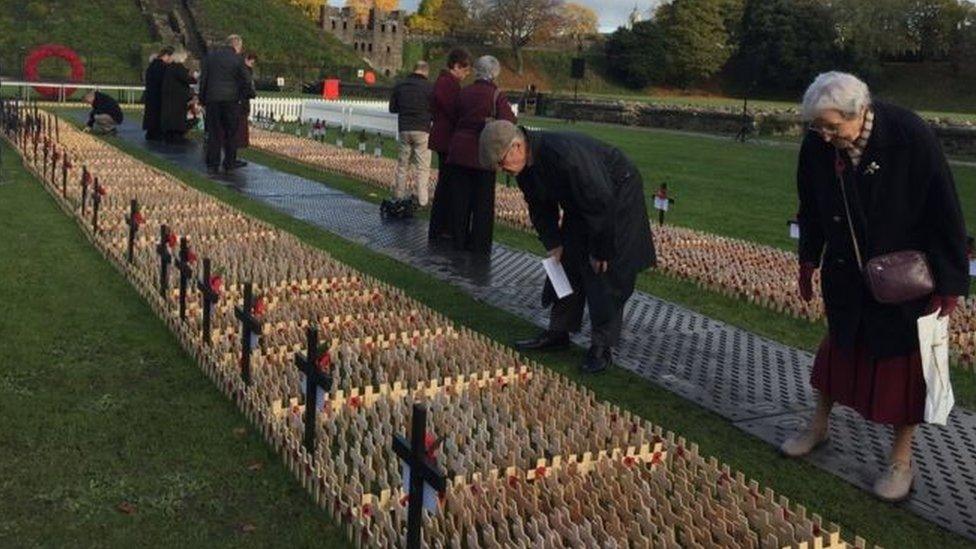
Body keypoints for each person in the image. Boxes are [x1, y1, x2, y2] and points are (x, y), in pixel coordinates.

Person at [781, 71, 969, 502]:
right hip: (848, 272)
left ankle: (901, 460)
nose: (824, 136)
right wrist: (808, 257)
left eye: (832, 127)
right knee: (839, 350)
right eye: (817, 126)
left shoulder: (909, 134)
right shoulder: (817, 143)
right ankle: (818, 427)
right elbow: (810, 203)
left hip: (904, 276)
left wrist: (949, 284)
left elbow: (945, 210)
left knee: (904, 370)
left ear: (859, 112)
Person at [479, 120, 656, 373]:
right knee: (567, 262)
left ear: (517, 146)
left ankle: (601, 346)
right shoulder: (524, 168)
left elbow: (600, 201)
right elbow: (539, 207)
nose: (500, 169)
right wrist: (554, 243)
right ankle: (559, 332)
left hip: (616, 195)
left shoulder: (565, 156)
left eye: (500, 161)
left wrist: (601, 250)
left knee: (604, 270)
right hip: (584, 201)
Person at [447, 55, 515, 254]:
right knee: (483, 203)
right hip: (483, 153)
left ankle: (458, 242)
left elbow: (454, 115)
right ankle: (479, 245)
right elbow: (508, 120)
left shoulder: (464, 92)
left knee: (460, 201)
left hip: (459, 150)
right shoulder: (496, 95)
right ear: (494, 73)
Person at [427, 48, 471, 240]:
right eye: (465, 69)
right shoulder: (447, 84)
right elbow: (453, 111)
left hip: (444, 137)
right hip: (447, 138)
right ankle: (443, 226)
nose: (466, 74)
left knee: (446, 183)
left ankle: (442, 226)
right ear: (456, 66)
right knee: (448, 184)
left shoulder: (446, 82)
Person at [199, 34, 252, 173]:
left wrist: (202, 98)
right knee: (231, 132)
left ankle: (213, 162)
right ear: (237, 45)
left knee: (214, 131)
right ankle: (229, 162)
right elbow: (246, 79)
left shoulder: (211, 57)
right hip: (231, 100)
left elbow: (204, 79)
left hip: (213, 99)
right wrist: (246, 94)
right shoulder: (238, 59)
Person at [389, 60, 434, 206]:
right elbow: (434, 110)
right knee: (422, 167)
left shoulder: (400, 85)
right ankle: (422, 199)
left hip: (404, 128)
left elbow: (392, 108)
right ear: (426, 71)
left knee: (403, 164)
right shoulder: (429, 88)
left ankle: (398, 195)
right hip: (422, 129)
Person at [160, 49, 196, 144]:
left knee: (170, 116)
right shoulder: (178, 67)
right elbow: (187, 79)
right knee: (177, 118)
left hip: (170, 96)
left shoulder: (170, 67)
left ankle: (170, 136)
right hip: (177, 98)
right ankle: (177, 136)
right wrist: (195, 77)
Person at [143, 46, 173, 140]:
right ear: (166, 56)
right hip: (159, 95)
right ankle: (157, 133)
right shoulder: (162, 67)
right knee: (157, 115)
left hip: (150, 94)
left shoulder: (152, 66)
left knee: (151, 114)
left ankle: (150, 133)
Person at [234, 52, 258, 149]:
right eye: (251, 62)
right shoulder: (244, 71)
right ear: (246, 60)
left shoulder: (244, 70)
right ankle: (239, 142)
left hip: (241, 99)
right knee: (241, 121)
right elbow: (246, 86)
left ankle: (239, 141)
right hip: (241, 99)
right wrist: (252, 93)